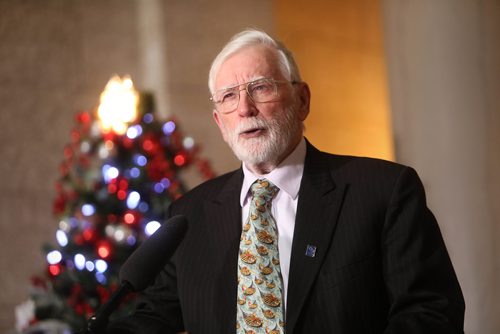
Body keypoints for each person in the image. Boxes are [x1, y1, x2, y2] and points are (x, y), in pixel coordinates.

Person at [108, 29, 465, 334]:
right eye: (229, 97)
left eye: (260, 88)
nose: (245, 109)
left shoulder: (382, 191)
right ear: (220, 122)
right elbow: (151, 318)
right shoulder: (191, 215)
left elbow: (431, 313)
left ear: (302, 100)